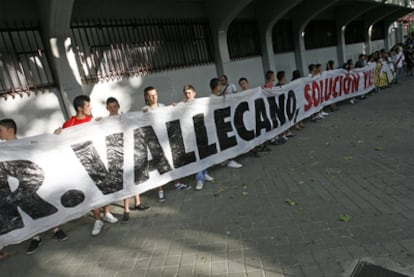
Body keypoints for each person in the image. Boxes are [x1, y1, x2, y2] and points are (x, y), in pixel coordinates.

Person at [0, 118, 69, 255]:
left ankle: (56, 229)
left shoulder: (27, 143)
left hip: (32, 184)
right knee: (27, 212)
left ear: (10, 131)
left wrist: (54, 136)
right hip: (16, 189)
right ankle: (35, 237)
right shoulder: (2, 151)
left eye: (0, 130)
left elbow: (44, 144)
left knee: (44, 206)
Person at [55, 95, 118, 236]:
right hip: (81, 164)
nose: (90, 108)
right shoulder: (69, 124)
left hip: (97, 160)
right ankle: (97, 219)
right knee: (91, 191)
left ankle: (107, 213)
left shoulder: (93, 121)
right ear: (80, 108)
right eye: (88, 106)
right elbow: (60, 142)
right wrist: (56, 134)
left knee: (104, 187)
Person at [105, 97, 150, 222]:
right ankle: (126, 209)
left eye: (115, 106)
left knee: (133, 177)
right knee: (125, 180)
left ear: (118, 106)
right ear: (107, 108)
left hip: (128, 150)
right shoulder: (104, 121)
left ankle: (137, 202)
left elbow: (137, 122)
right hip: (115, 153)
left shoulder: (124, 117)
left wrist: (145, 113)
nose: (113, 109)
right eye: (110, 107)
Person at [142, 87, 190, 200]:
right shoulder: (145, 109)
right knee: (159, 165)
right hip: (154, 142)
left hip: (166, 139)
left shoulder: (163, 106)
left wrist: (173, 107)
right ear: (146, 97)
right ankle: (160, 190)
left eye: (155, 94)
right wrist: (144, 114)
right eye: (150, 95)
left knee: (172, 160)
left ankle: (177, 183)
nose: (154, 97)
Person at [174, 84, 215, 191]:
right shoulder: (183, 104)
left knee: (203, 154)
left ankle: (204, 173)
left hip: (201, 132)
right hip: (190, 135)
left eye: (189, 93)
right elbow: (174, 110)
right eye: (186, 93)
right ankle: (199, 178)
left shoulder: (200, 102)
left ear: (194, 93)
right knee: (196, 157)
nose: (187, 95)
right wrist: (175, 105)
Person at [210, 78, 243, 168]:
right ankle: (228, 160)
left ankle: (225, 159)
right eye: (219, 85)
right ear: (216, 87)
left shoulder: (216, 97)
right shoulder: (213, 99)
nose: (221, 86)